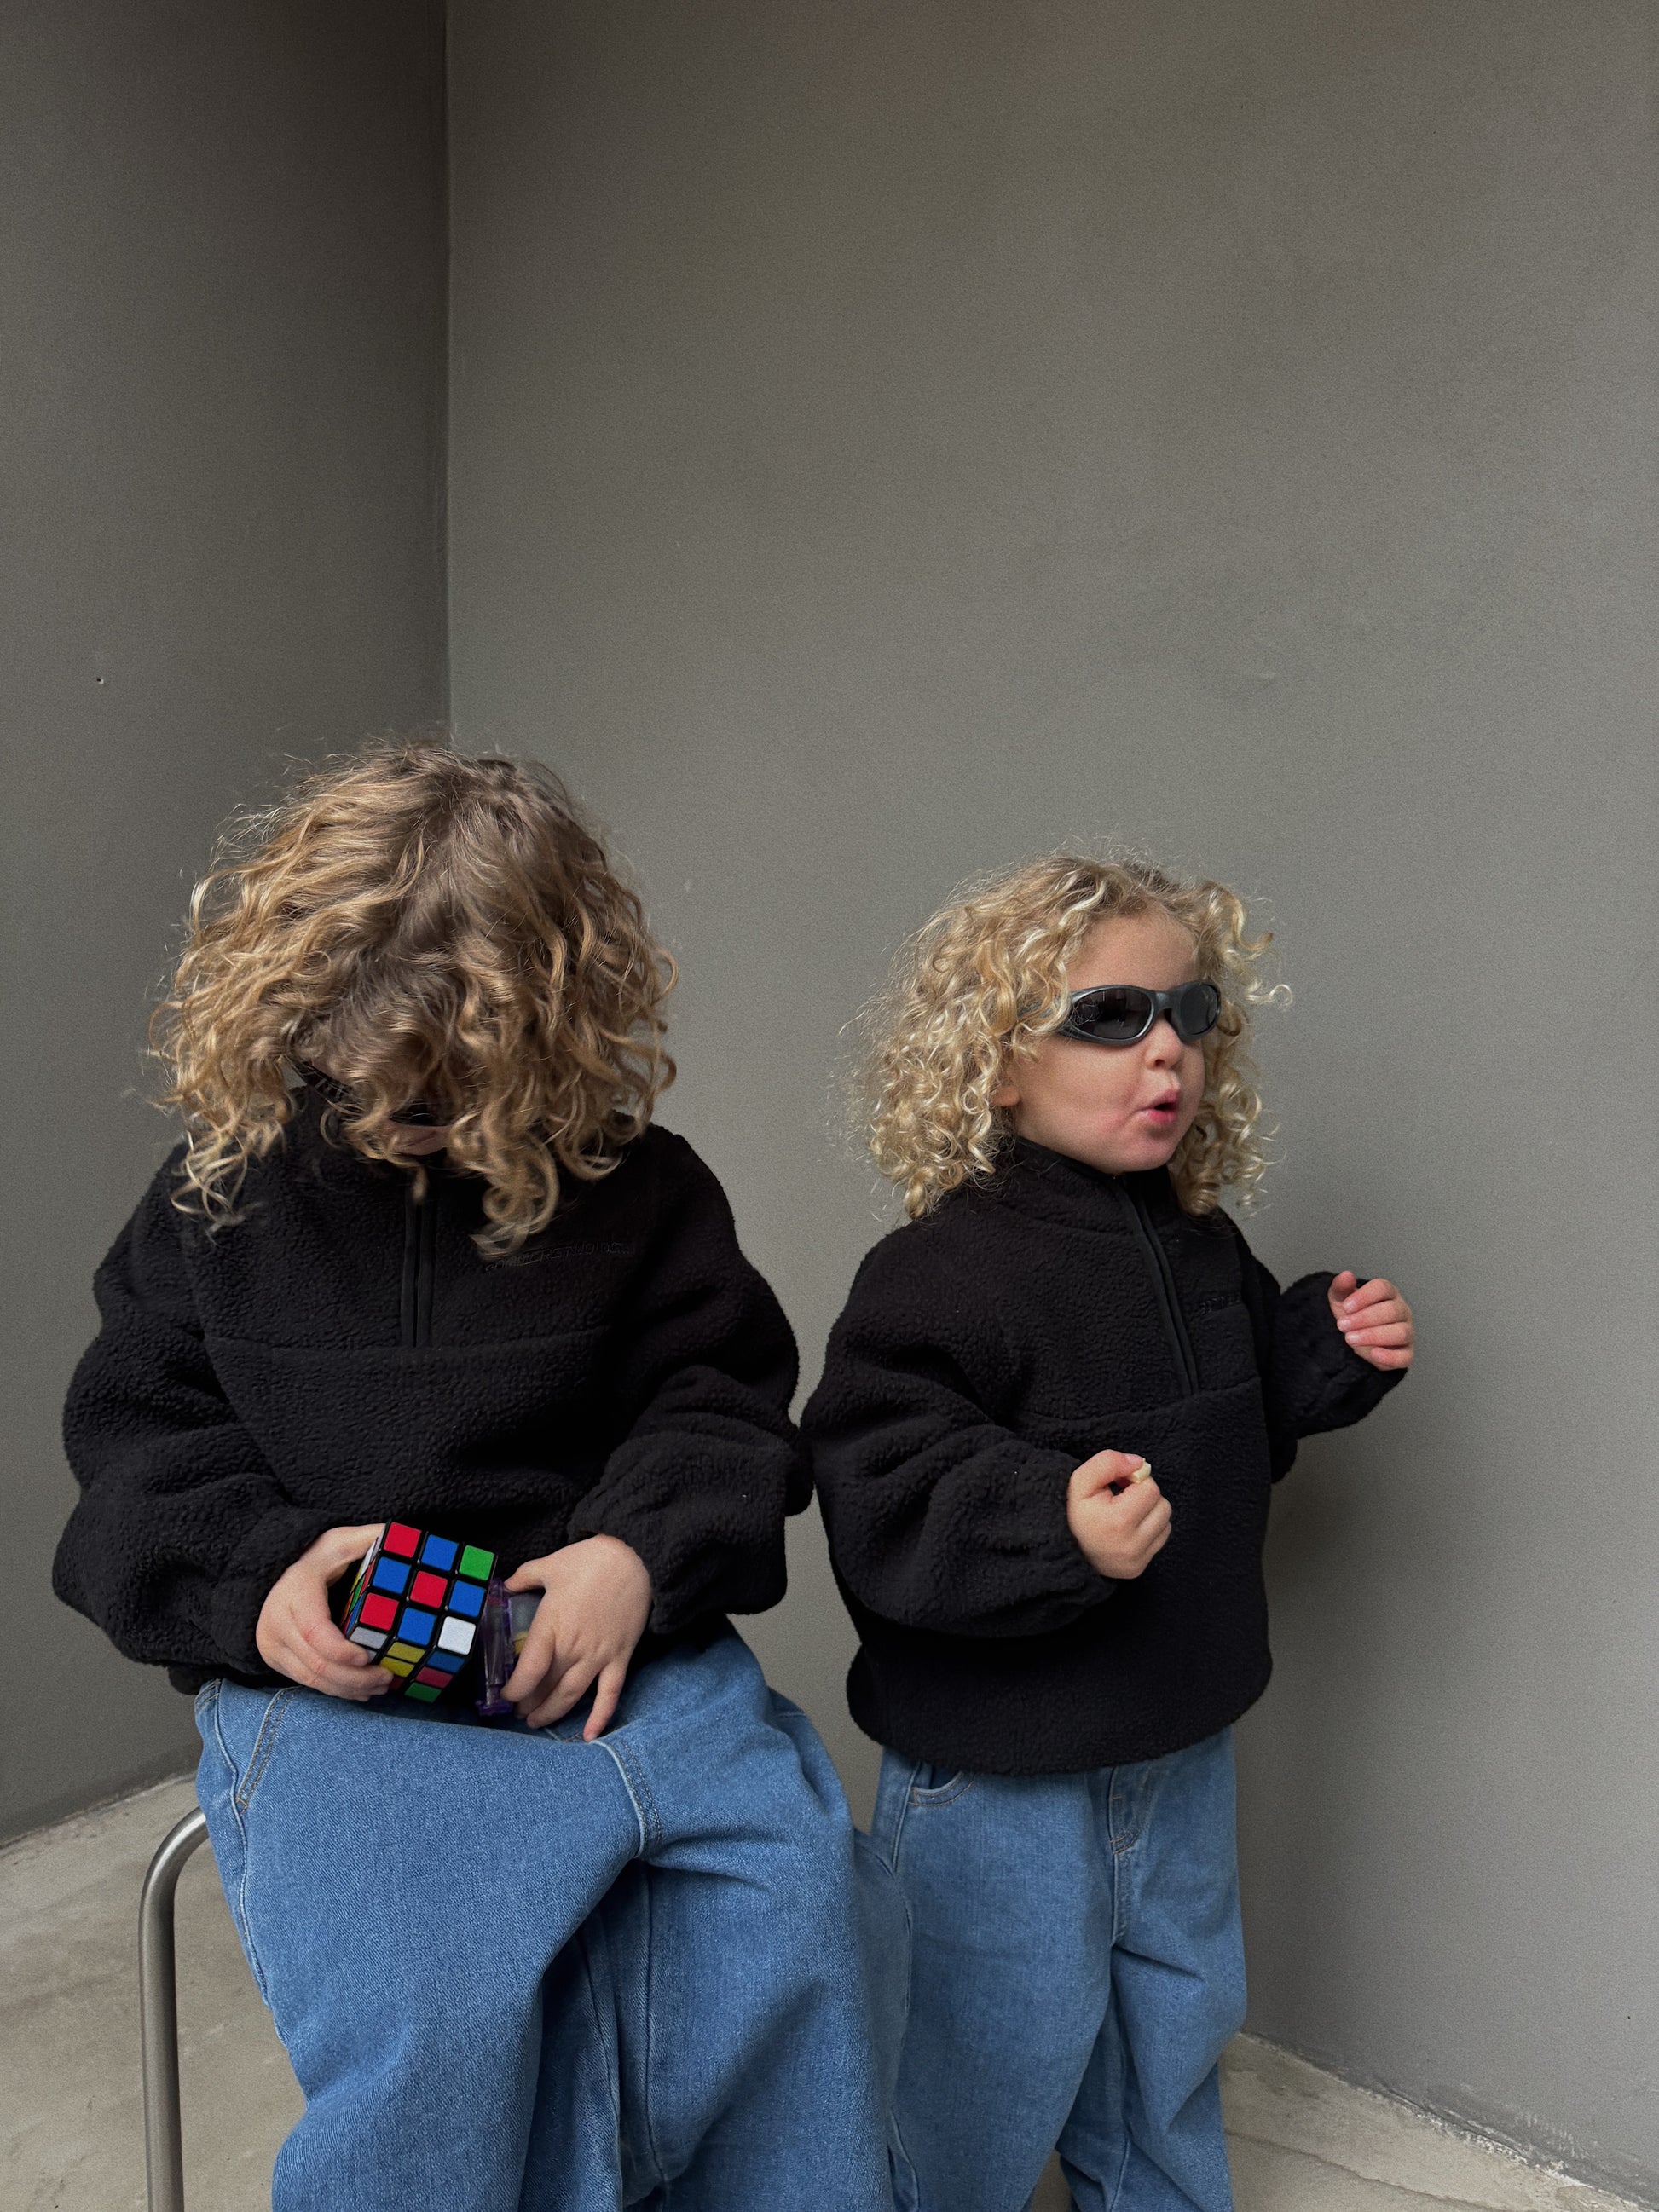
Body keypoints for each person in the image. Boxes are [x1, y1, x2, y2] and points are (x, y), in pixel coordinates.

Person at [55, 744, 892, 2212]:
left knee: (802, 1908)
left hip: (620, 1644)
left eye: (458, 1084)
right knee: (434, 2007)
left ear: (556, 1023)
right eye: (372, 1078)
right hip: (345, 1677)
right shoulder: (211, 1201)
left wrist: (634, 1554)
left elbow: (721, 1409)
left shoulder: (645, 1190)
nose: (409, 1115)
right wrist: (257, 1579)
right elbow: (142, 1447)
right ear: (291, 1009)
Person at [802, 855, 1415, 2212]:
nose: (1165, 1051)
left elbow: (1243, 1417)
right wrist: (1047, 1522)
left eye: (1188, 1013)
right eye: (1109, 1017)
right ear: (994, 1062)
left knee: (1171, 2022)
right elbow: (879, 1486)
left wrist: (1320, 1347)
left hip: (1177, 1728)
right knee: (978, 2047)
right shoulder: (938, 1274)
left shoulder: (1198, 1243)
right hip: (1002, 1767)